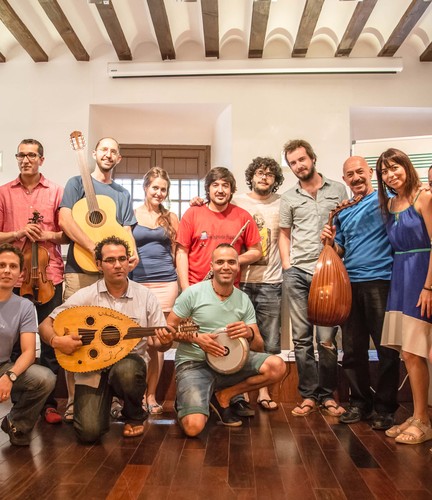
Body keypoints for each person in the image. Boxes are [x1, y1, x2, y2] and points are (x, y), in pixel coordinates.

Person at [39, 236, 173, 443]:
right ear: (99, 265)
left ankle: (134, 414)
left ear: (129, 262)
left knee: (127, 370)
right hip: (93, 369)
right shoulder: (87, 296)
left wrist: (166, 341)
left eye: (122, 259)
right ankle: (103, 405)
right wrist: (57, 341)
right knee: (88, 433)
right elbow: (44, 325)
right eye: (110, 260)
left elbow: (157, 344)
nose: (118, 265)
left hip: (128, 368)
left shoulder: (145, 296)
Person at [167, 244, 286, 436]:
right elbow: (169, 327)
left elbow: (259, 346)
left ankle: (224, 395)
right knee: (193, 428)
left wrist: (249, 333)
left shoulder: (243, 299)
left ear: (238, 266)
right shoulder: (193, 293)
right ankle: (187, 400)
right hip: (195, 364)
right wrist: (198, 340)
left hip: (231, 365)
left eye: (231, 262)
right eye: (220, 262)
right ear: (212, 266)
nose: (226, 267)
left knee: (277, 366)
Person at [59, 137, 138, 422]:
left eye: (113, 151)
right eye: (103, 149)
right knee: (73, 331)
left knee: (110, 331)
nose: (108, 154)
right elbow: (65, 221)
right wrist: (94, 248)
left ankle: (114, 398)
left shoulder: (121, 194)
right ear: (94, 153)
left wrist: (133, 252)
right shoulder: (75, 184)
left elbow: (126, 229)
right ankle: (71, 401)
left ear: (118, 158)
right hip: (80, 270)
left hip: (112, 275)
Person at [320, 156, 400, 430]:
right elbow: (340, 250)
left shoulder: (387, 199)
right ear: (344, 180)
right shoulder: (343, 210)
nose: (356, 177)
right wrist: (331, 243)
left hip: (382, 281)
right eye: (350, 174)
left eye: (360, 172)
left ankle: (386, 408)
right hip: (349, 284)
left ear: (370, 173)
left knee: (386, 348)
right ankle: (359, 403)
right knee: (352, 350)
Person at [176, 166, 262, 417]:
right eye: (215, 185)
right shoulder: (193, 213)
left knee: (230, 345)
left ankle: (231, 394)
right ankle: (194, 392)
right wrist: (186, 289)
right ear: (208, 189)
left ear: (232, 190)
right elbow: (181, 251)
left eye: (226, 185)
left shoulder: (243, 216)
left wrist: (232, 260)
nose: (221, 189)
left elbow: (256, 251)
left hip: (229, 292)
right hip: (196, 290)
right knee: (196, 346)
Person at [0, 139, 67, 424]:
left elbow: (66, 235)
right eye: (21, 155)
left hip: (49, 275)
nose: (26, 160)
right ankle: (19, 403)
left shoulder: (56, 191)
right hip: (16, 277)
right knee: (18, 343)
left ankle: (49, 403)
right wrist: (18, 232)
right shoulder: (3, 193)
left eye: (31, 155)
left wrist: (48, 236)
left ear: (41, 159)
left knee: (50, 339)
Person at [279, 139, 347, 417]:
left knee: (327, 339)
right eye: (293, 162)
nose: (298, 166)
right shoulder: (289, 197)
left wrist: (337, 252)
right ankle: (308, 395)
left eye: (301, 159)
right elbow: (284, 233)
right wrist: (287, 266)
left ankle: (327, 395)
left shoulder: (338, 190)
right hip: (298, 273)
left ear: (312, 158)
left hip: (328, 274)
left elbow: (344, 231)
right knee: (302, 338)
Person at [375, 148, 432, 445]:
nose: (390, 174)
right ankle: (418, 415)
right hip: (400, 275)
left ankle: (423, 420)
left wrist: (428, 287)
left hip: (421, 276)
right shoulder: (391, 203)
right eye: (384, 171)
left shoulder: (424, 197)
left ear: (406, 167)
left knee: (420, 350)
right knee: (408, 352)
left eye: (394, 167)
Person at [234, 157, 284, 411]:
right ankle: (240, 392)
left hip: (271, 281)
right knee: (239, 338)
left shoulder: (282, 203)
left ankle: (264, 390)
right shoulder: (237, 202)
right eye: (260, 173)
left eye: (269, 175)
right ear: (251, 176)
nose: (264, 177)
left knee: (269, 340)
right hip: (239, 281)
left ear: (275, 180)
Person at [129, 167, 179, 415]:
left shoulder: (171, 217)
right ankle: (135, 396)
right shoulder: (131, 215)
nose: (159, 193)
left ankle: (151, 396)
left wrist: (181, 284)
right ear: (145, 188)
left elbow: (176, 252)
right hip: (138, 283)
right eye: (155, 187)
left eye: (163, 189)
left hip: (166, 283)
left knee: (158, 342)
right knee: (139, 341)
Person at [0, 244, 56, 446]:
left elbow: (29, 352)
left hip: (3, 366)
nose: (7, 270)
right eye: (2, 265)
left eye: (13, 266)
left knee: (45, 378)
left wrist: (10, 376)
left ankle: (16, 423)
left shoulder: (24, 305)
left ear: (20, 273)